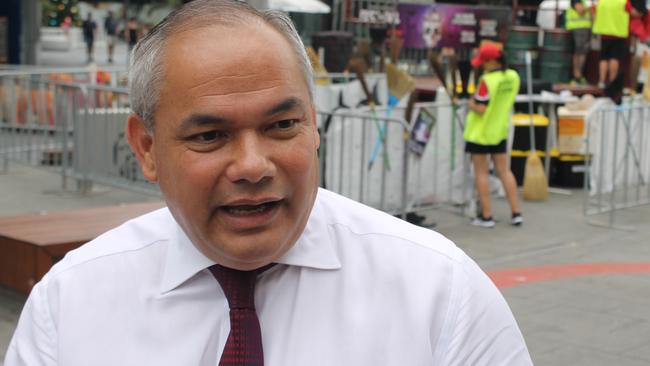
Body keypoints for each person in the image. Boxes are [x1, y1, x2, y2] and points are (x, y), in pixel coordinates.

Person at [4, 1, 533, 365]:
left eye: (282, 126)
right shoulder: (69, 307)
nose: (253, 165)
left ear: (315, 124)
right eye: (210, 135)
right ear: (146, 148)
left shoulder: (440, 294)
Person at [465, 43, 522, 228]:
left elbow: (480, 108)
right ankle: (516, 213)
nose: (481, 65)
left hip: (480, 133)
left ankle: (486, 217)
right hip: (499, 131)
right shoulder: (513, 76)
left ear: (492, 61)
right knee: (505, 171)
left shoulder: (487, 81)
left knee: (481, 173)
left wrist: (470, 103)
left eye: (484, 62)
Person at [592, 0, 630, 91]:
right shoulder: (623, 2)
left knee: (603, 58)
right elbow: (633, 13)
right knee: (615, 58)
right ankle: (612, 82)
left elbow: (594, 13)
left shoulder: (601, 1)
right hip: (618, 33)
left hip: (604, 33)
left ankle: (601, 81)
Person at [565, 0, 592, 84]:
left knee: (579, 53)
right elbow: (580, 10)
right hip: (579, 29)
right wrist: (591, 8)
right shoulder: (578, 1)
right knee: (580, 53)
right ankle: (577, 76)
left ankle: (577, 76)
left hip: (580, 29)